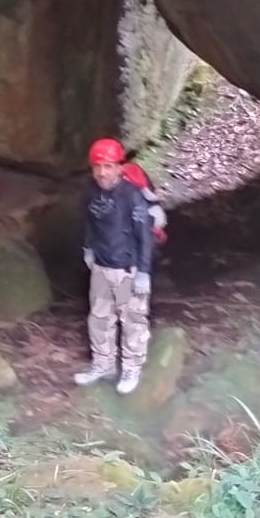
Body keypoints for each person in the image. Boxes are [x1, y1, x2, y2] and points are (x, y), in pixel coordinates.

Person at [75, 137, 154, 395]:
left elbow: (145, 235)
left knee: (131, 320)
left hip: (126, 269)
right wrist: (88, 247)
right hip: (101, 265)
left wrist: (143, 271)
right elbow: (89, 221)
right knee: (99, 318)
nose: (102, 172)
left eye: (108, 166)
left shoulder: (131, 196)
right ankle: (103, 364)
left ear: (119, 167)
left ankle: (132, 367)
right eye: (97, 166)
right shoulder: (91, 190)